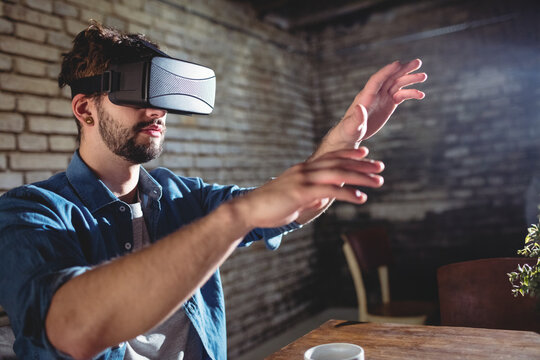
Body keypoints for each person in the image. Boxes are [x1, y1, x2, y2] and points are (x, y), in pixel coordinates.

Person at [0, 22, 426, 360]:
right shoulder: (29, 213)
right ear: (85, 109)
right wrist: (234, 217)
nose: (157, 111)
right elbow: (72, 328)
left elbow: (291, 206)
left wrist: (346, 135)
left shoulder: (181, 195)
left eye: (161, 93)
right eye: (136, 93)